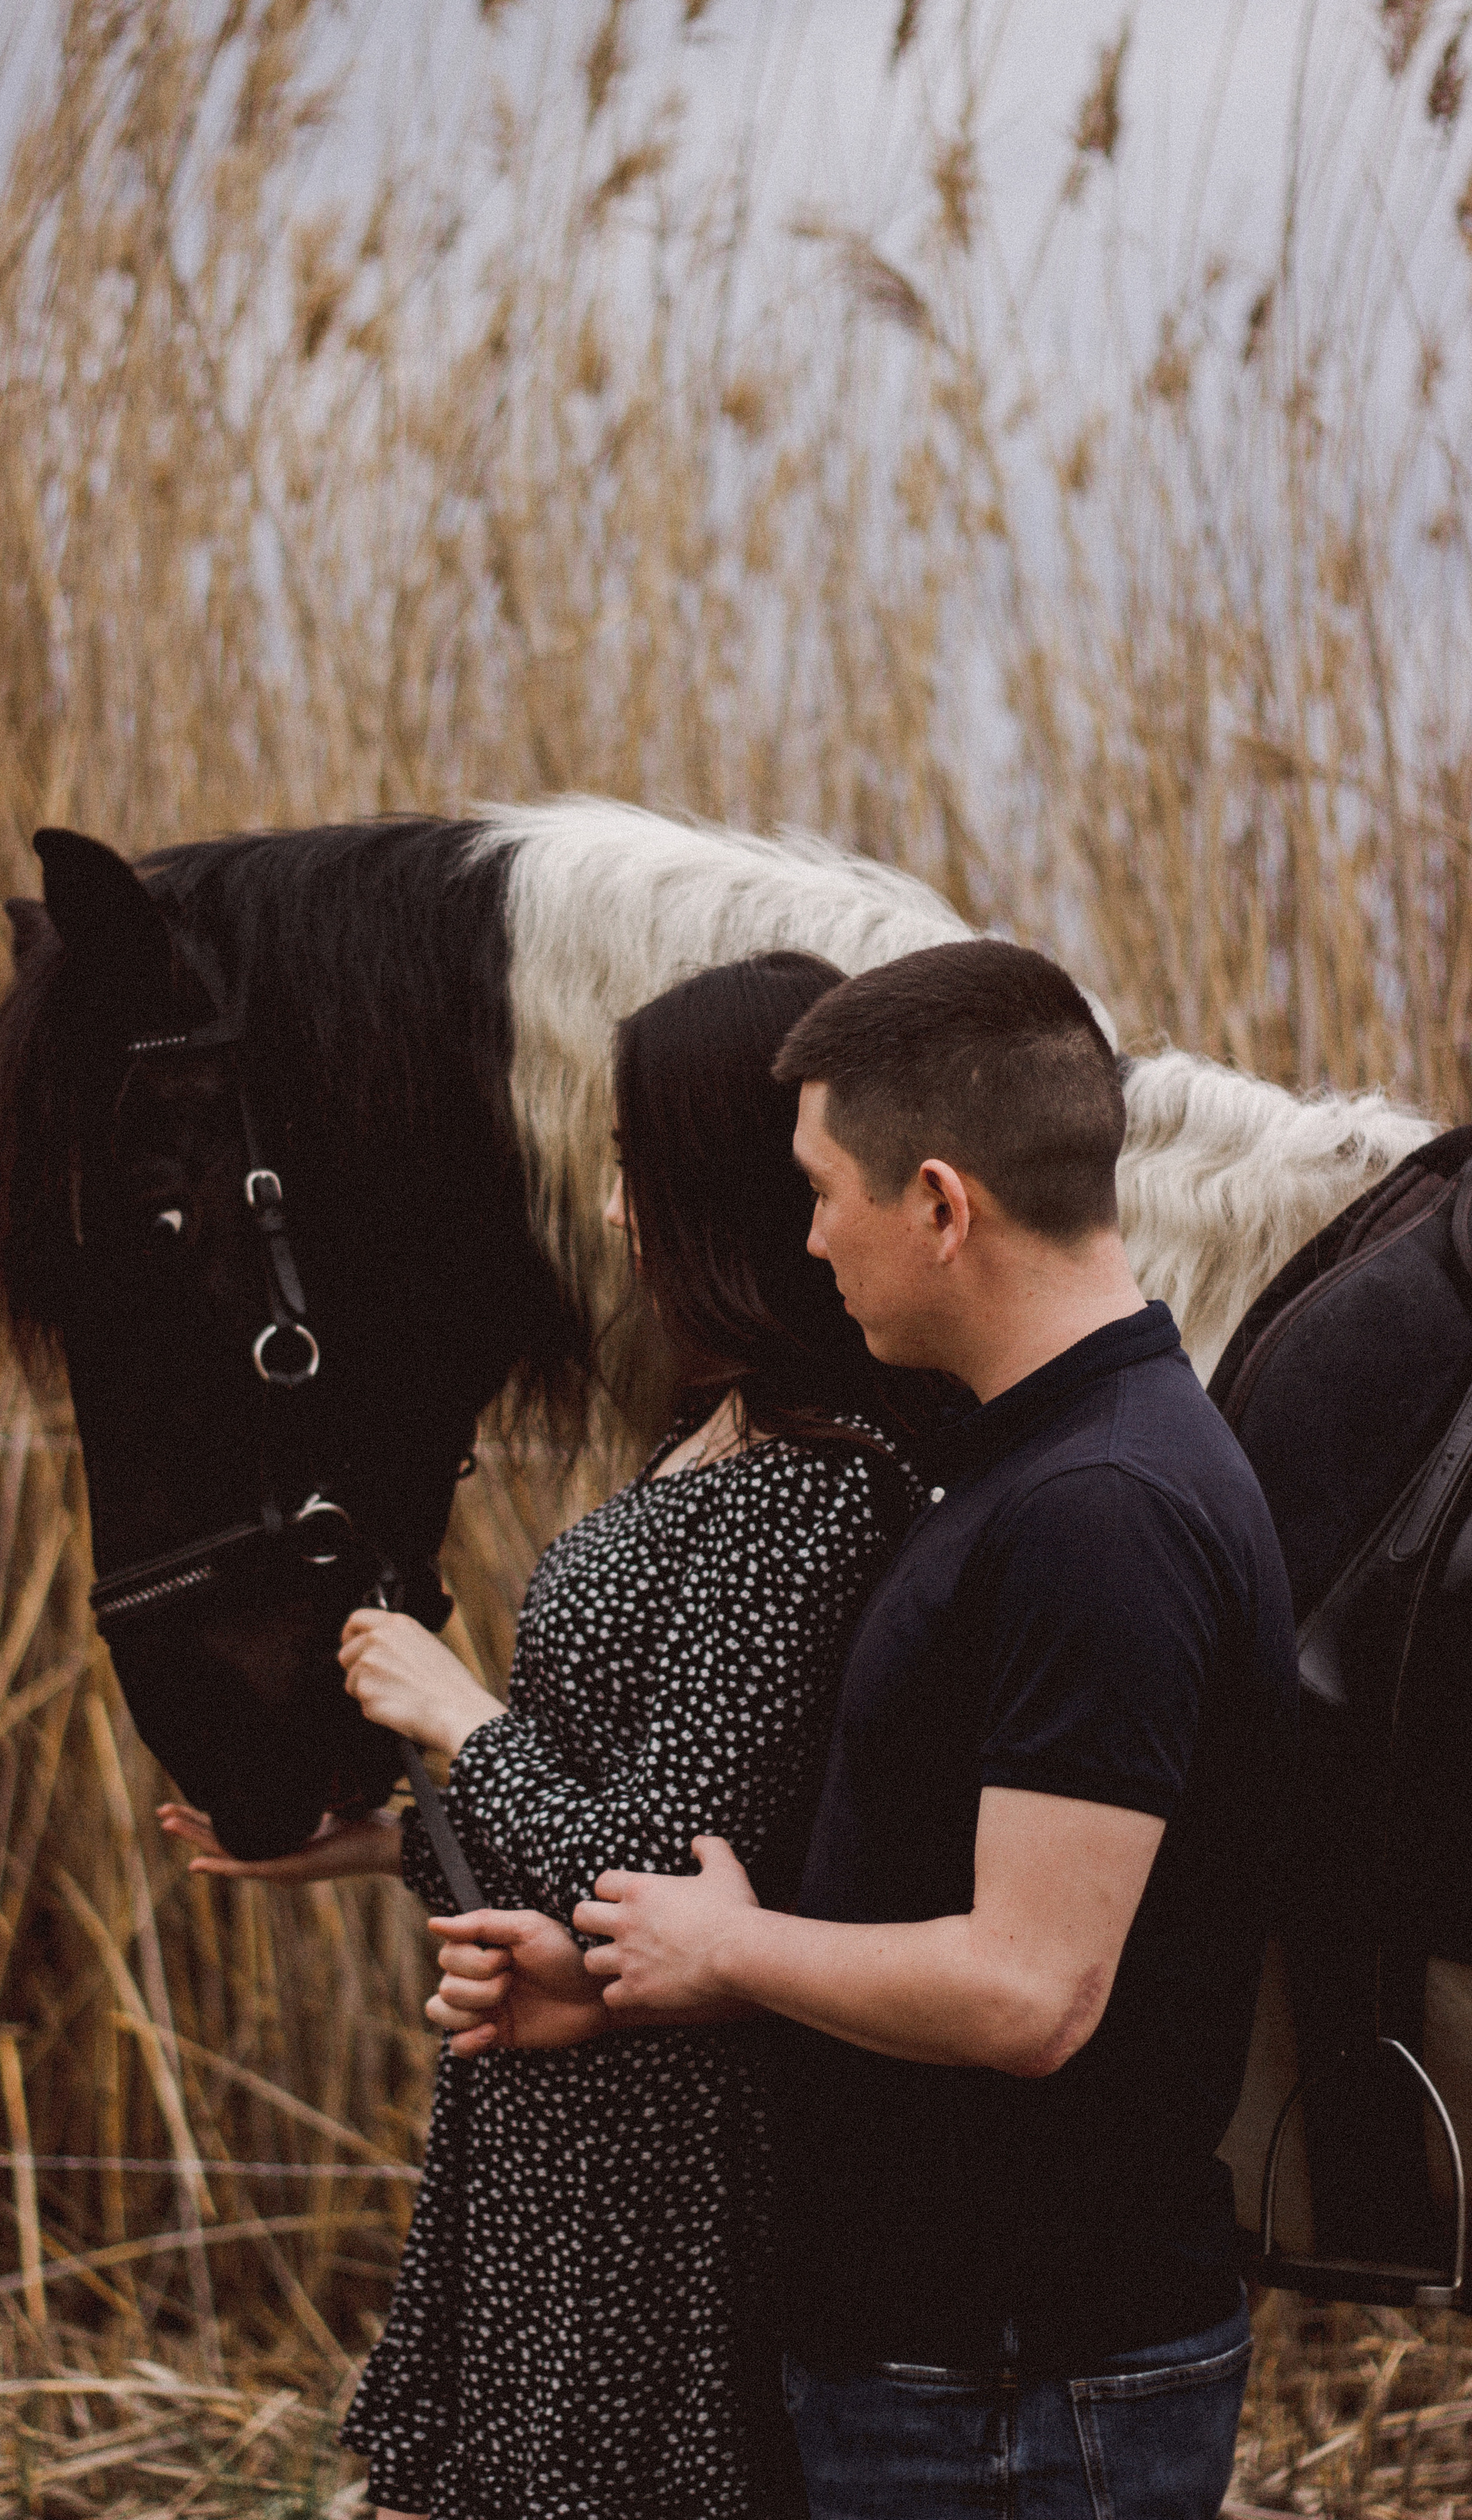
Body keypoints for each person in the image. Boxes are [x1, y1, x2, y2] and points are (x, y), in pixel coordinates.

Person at [438, 940, 1297, 2520]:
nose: (808, 1233)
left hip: (1019, 2392)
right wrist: (629, 1998)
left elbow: (1027, 1991)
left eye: (824, 1189)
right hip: (951, 2373)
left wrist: (728, 1954)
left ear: (941, 1205)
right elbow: (911, 1899)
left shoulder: (1096, 1511)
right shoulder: (1027, 1467)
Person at [162, 950, 932, 2520]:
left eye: (630, 1168)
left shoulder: (804, 1491)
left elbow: (665, 1885)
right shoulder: (710, 1437)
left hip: (645, 2180)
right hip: (559, 2135)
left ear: (720, 1187)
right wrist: (379, 1849)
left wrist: (458, 1720)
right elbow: (600, 1813)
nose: (603, 1215)